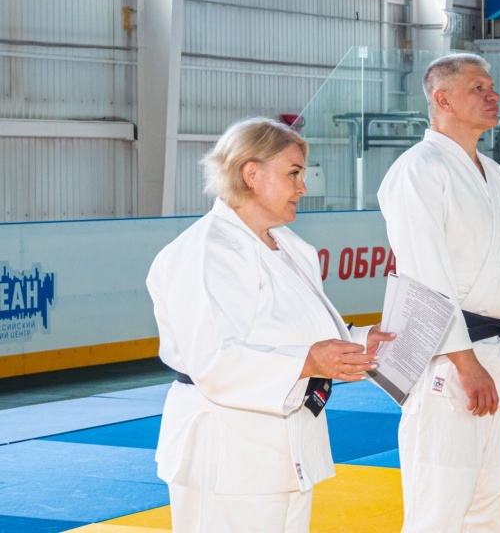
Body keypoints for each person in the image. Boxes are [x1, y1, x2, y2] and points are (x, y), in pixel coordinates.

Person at [146, 117, 393, 532]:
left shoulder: (290, 247)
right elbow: (213, 361)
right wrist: (310, 361)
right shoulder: (207, 251)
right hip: (228, 454)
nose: (303, 187)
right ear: (251, 174)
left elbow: (295, 331)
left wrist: (358, 341)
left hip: (286, 450)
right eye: (293, 173)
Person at [377, 53, 500, 532]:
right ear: (442, 100)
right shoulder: (418, 169)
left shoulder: (497, 176)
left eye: (492, 86)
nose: (494, 95)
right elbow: (424, 274)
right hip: (447, 361)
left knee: (488, 507)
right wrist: (465, 363)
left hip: (497, 354)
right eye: (478, 88)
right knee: (440, 509)